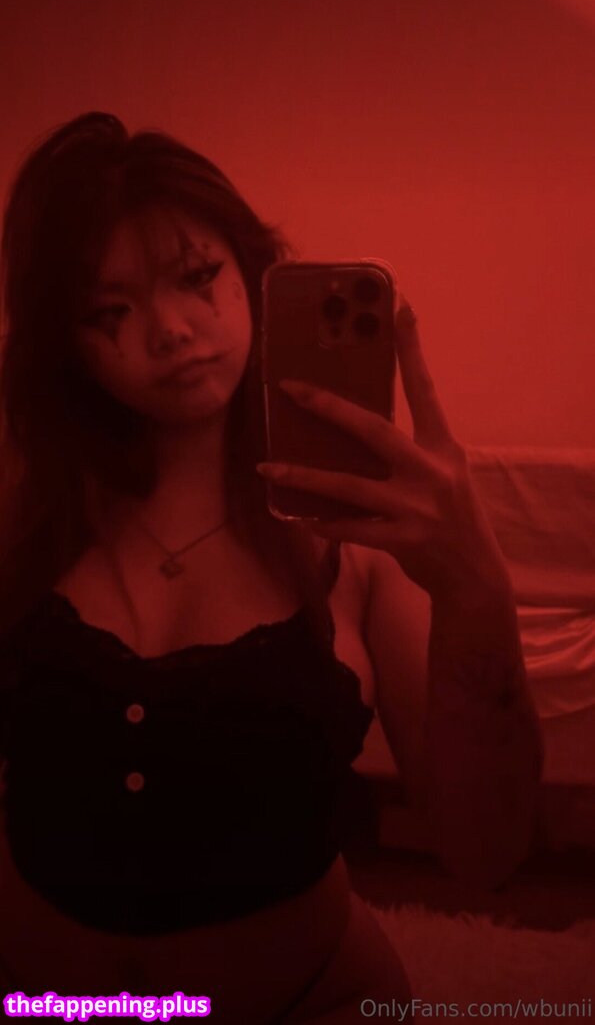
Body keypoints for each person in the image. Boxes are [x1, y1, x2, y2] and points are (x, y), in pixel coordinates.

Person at [0, 112, 543, 1023]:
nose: (171, 331)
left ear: (253, 273)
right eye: (109, 311)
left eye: (196, 277)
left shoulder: (359, 532)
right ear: (68, 345)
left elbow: (487, 853)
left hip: (310, 1001)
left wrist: (474, 589)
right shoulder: (27, 510)